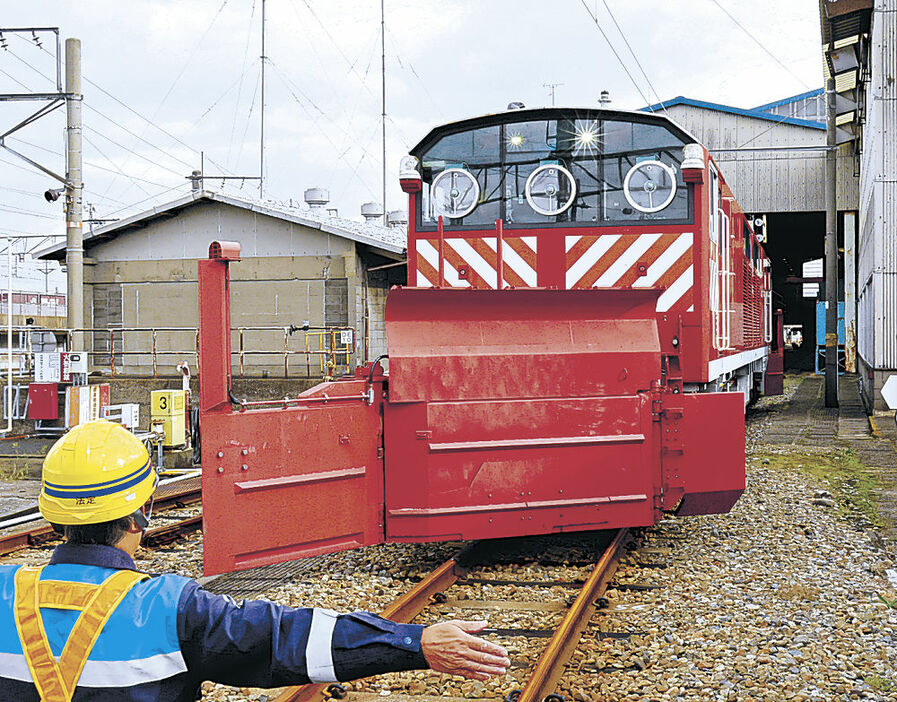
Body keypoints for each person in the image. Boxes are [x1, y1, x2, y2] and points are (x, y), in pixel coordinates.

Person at [0, 420, 509, 701]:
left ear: (52, 517)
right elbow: (289, 639)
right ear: (140, 515)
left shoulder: (5, 592)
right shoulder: (170, 610)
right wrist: (415, 641)